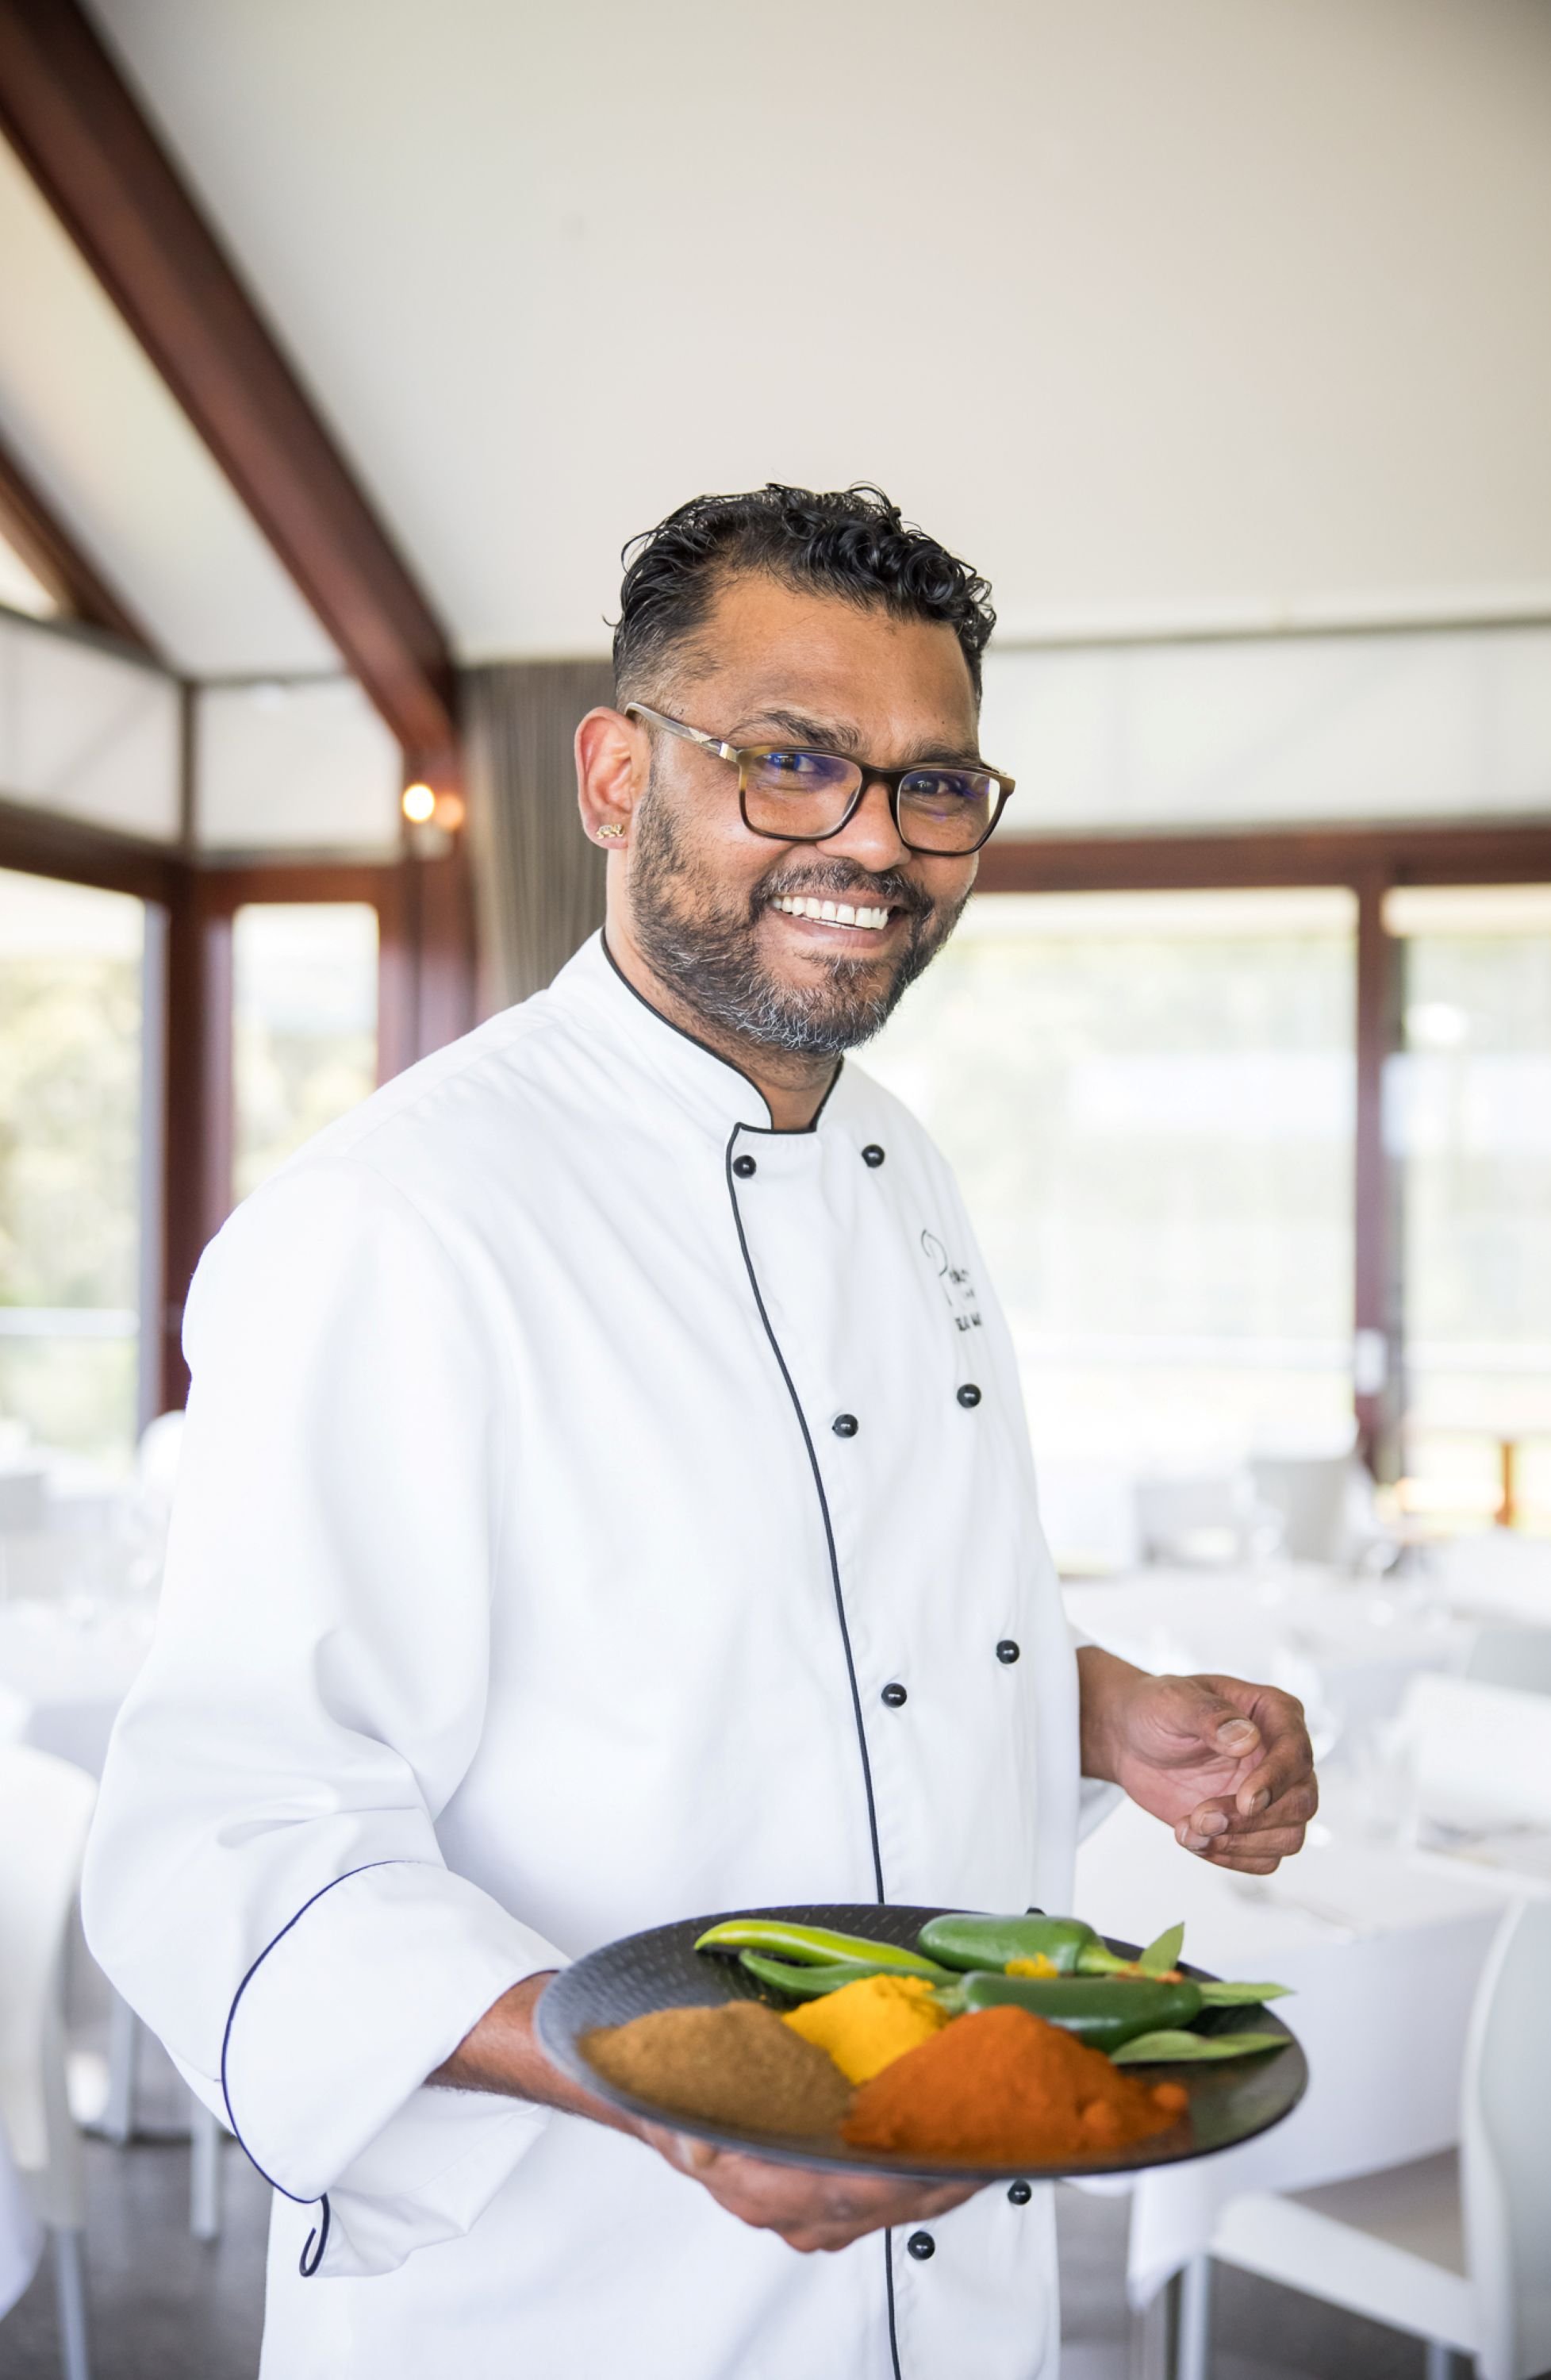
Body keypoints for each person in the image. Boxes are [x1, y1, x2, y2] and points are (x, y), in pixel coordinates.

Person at [83, 486, 1317, 2380]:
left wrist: (1101, 1709)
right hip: (588, 2296)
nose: (871, 840)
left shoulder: (904, 1169)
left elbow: (832, 1624)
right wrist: (663, 2088)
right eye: (790, 762)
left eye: (931, 785)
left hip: (956, 2280)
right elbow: (234, 1834)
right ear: (609, 776)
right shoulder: (397, 1222)